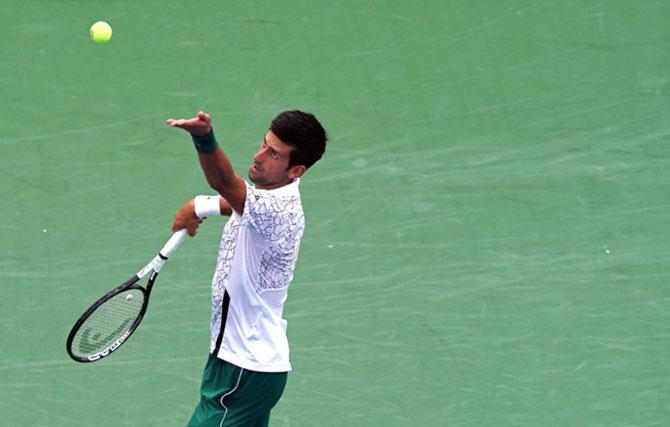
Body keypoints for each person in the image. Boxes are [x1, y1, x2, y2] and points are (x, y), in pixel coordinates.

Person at [166, 110, 328, 427]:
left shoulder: (274, 209)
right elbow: (240, 203)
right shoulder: (270, 195)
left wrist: (203, 138)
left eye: (274, 154)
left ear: (296, 170)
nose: (258, 156)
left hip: (245, 371)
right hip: (237, 363)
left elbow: (224, 183)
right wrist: (200, 206)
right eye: (264, 145)